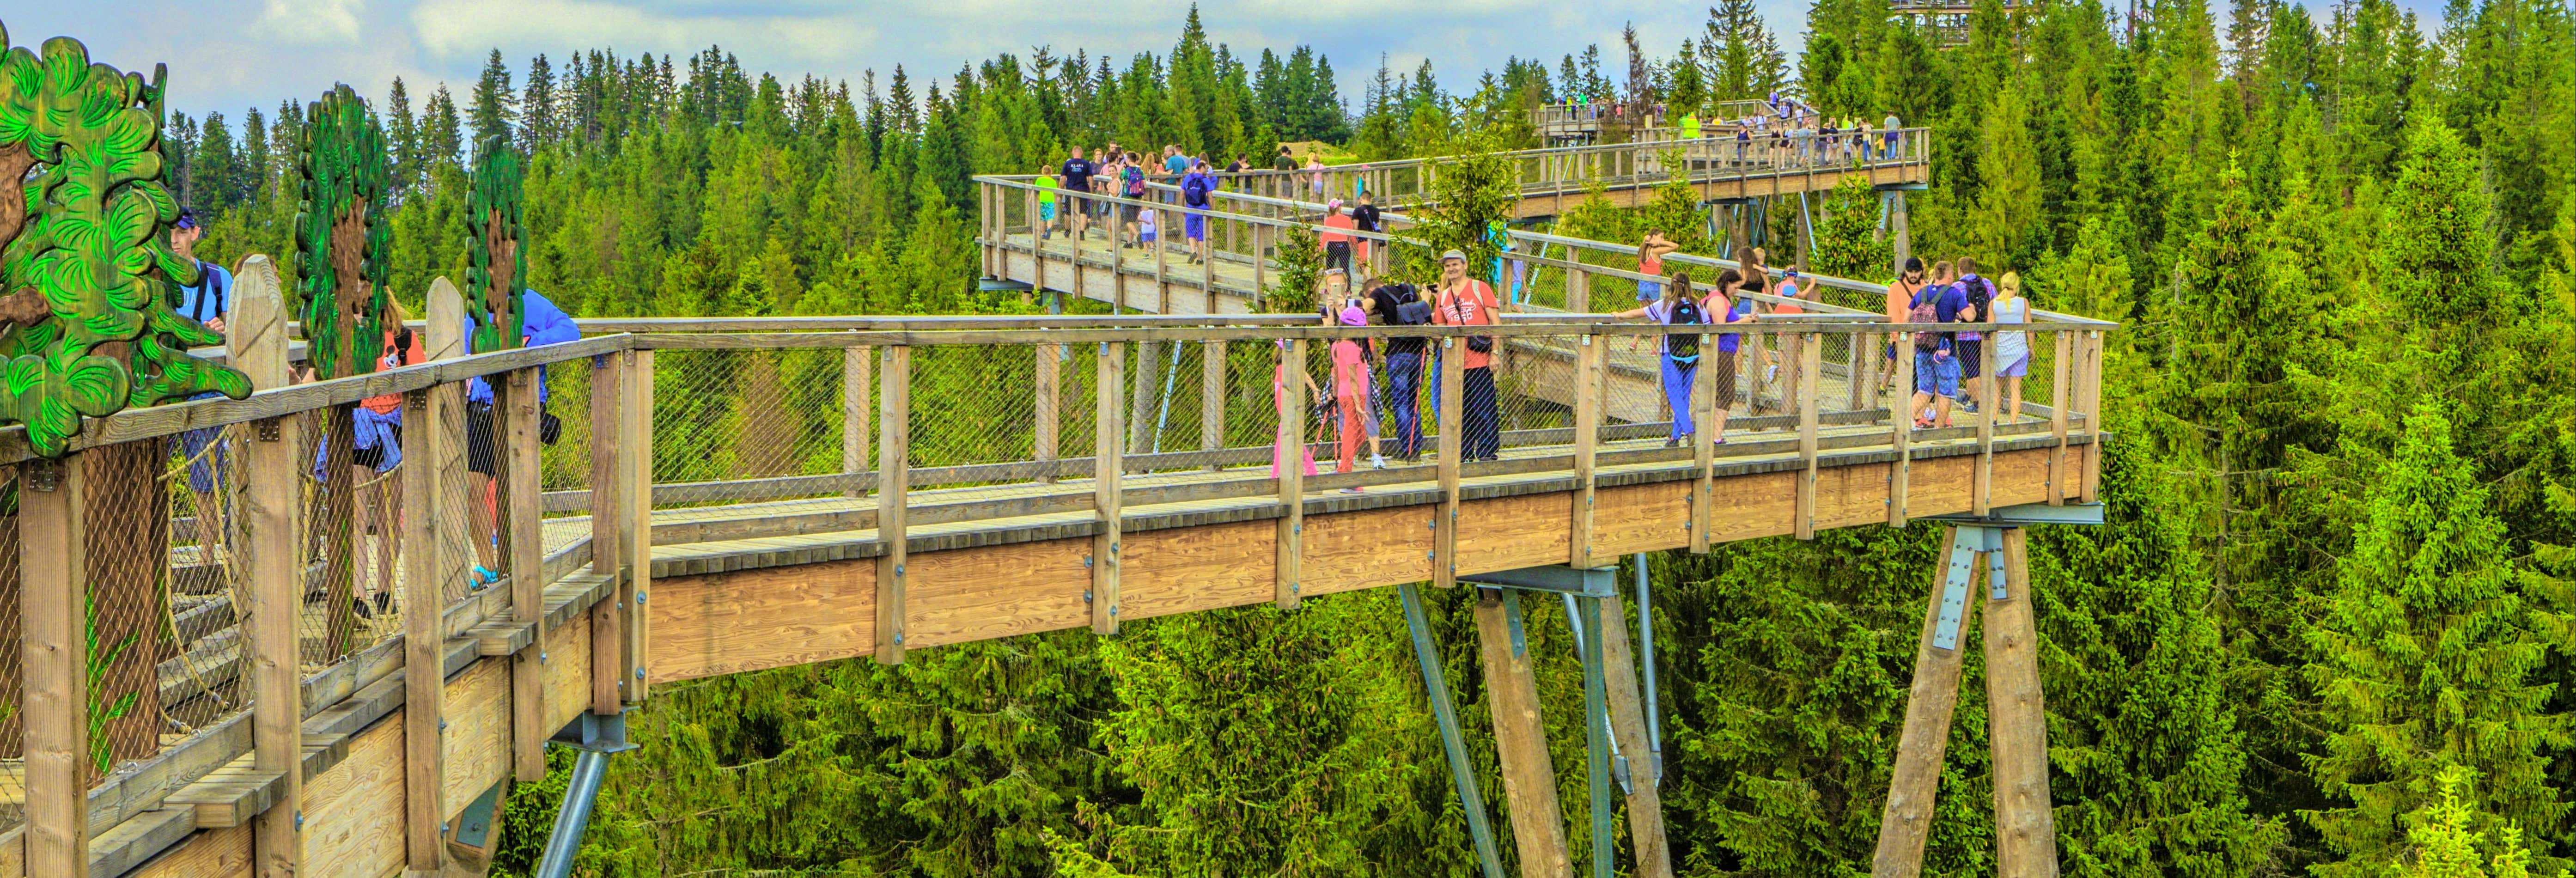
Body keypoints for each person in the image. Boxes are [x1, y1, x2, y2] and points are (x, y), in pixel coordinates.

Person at [462, 288, 581, 587]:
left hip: (521, 404)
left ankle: (517, 564)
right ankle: (489, 566)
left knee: (514, 488)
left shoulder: (527, 300)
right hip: (481, 406)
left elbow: (570, 330)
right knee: (471, 488)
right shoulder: (475, 308)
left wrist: (527, 343)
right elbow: (464, 352)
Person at [169, 209, 235, 556]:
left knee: (205, 478)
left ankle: (208, 558)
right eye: (170, 233)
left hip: (205, 387)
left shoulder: (218, 278)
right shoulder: (156, 278)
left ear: (195, 233)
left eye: (181, 232)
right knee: (149, 475)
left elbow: (243, 331)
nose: (175, 240)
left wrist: (225, 332)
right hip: (162, 388)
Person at [1614, 271, 1710, 447]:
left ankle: (1689, 431)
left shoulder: (1665, 304)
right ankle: (1675, 437)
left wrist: (1621, 315)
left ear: (1671, 286)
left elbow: (1640, 313)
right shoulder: (1698, 305)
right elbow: (1708, 326)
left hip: (1670, 354)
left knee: (1674, 395)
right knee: (1684, 394)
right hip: (1693, 355)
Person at [1433, 250, 1502, 462]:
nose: (1452, 269)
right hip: (1454, 363)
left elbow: (1495, 322)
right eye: (1448, 266)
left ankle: (1486, 452)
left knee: (1484, 407)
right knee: (1459, 411)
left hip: (1480, 359)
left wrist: (1495, 353)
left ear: (1465, 265)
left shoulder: (1479, 288)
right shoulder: (1443, 296)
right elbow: (1440, 327)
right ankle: (1462, 453)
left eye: (1455, 264)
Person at [1365, 276, 1429, 461]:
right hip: (1419, 353)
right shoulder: (1409, 289)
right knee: (1413, 403)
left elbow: (1365, 306)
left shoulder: (1378, 293)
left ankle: (1406, 448)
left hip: (1398, 353)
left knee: (1401, 403)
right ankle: (1415, 447)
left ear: (1371, 291)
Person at [1906, 261, 1967, 428]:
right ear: (1948, 275)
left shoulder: (1923, 292)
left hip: (1923, 349)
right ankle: (1939, 430)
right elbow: (1968, 316)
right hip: (1945, 351)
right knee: (1946, 393)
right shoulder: (1954, 294)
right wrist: (1973, 310)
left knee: (1924, 390)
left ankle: (1905, 421)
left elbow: (1907, 316)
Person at [1330, 304, 1375, 482]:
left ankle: (1345, 463)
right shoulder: (1352, 349)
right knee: (1352, 432)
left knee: (1360, 433)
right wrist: (1358, 405)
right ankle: (1345, 469)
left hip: (1344, 393)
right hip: (1354, 394)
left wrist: (1334, 392)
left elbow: (1335, 371)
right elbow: (1352, 377)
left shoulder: (1336, 345)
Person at [1705, 269, 1751, 442]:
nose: (1737, 291)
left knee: (1721, 393)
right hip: (1720, 351)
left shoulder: (1724, 299)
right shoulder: (1717, 299)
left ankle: (1712, 434)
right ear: (1727, 284)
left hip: (1726, 351)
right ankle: (1716, 436)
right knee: (1726, 393)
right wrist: (1743, 322)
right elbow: (1720, 327)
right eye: (1736, 287)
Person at [1272, 337, 1322, 479]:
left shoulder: (1288, 366)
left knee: (1284, 446)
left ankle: (1277, 475)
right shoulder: (1280, 368)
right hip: (1285, 413)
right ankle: (1311, 474)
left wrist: (1315, 389)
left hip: (1290, 412)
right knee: (1295, 446)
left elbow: (1303, 374)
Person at [1954, 256, 1994, 414]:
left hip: (1966, 334)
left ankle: (1979, 404)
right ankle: (1972, 396)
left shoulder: (1958, 287)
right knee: (1983, 369)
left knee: (1971, 371)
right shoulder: (1987, 283)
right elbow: (1995, 303)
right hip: (1986, 334)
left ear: (1959, 270)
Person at [1883, 257, 1928, 395]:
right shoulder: (1896, 288)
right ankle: (1884, 387)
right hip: (1902, 336)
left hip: (1923, 339)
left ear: (1922, 272)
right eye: (1910, 272)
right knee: (1896, 366)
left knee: (1920, 374)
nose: (1913, 275)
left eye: (1917, 271)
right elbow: (1894, 314)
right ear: (1905, 271)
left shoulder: (1926, 288)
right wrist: (1895, 337)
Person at [1991, 271, 2030, 421]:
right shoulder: (2023, 303)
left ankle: (1994, 419)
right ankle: (2013, 422)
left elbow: (1990, 328)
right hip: (2019, 350)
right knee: (2015, 389)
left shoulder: (1994, 304)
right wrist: (2031, 347)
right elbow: (2029, 327)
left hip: (1999, 350)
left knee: (1997, 387)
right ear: (2017, 286)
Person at [1180, 160, 1216, 264]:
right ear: (1201, 168)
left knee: (1191, 233)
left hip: (1191, 209)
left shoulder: (1188, 178)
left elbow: (1182, 194)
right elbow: (1210, 197)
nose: (1207, 170)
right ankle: (1200, 259)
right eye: (1206, 168)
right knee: (1201, 235)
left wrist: (1182, 207)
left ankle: (1193, 251)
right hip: (1203, 210)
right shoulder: (1205, 180)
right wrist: (1212, 210)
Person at [1059, 146, 1096, 240]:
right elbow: (1091, 179)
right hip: (1083, 190)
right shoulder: (1086, 164)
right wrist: (1091, 192)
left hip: (1070, 190)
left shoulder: (1068, 164)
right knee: (1083, 211)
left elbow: (1063, 179)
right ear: (1082, 153)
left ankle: (1067, 230)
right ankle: (1081, 232)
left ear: (1073, 152)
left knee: (1068, 211)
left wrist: (1060, 191)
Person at [1118, 155, 1149, 246]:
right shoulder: (1140, 171)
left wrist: (1121, 169)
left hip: (1128, 197)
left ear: (1129, 160)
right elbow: (1145, 184)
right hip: (1138, 198)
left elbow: (1119, 179)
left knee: (1128, 221)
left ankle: (1138, 235)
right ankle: (1129, 242)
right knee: (1133, 220)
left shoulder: (1127, 171)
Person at [1320, 201, 1356, 274]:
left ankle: (1329, 283)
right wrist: (1354, 242)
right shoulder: (1346, 219)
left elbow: (1326, 235)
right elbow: (1351, 233)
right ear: (1339, 208)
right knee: (1345, 268)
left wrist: (1320, 246)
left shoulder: (1328, 220)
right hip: (1343, 244)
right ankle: (1348, 285)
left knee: (1329, 268)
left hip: (1332, 245)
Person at [1350, 193, 1383, 269]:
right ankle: (1374, 280)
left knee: (1363, 264)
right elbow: (1375, 223)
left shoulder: (1358, 210)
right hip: (1375, 240)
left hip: (1363, 240)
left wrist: (1354, 237)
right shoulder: (1376, 211)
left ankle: (1366, 280)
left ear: (1361, 199)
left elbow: (1355, 227)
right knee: (1373, 265)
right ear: (1370, 199)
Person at [1035, 165, 1060, 240]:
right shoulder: (1053, 181)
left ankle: (1043, 234)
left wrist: (1032, 198)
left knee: (1043, 218)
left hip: (1042, 201)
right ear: (1051, 172)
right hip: (1050, 201)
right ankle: (1049, 229)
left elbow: (1035, 190)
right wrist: (1058, 198)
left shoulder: (1039, 180)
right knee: (1050, 217)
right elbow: (1055, 192)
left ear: (1043, 172)